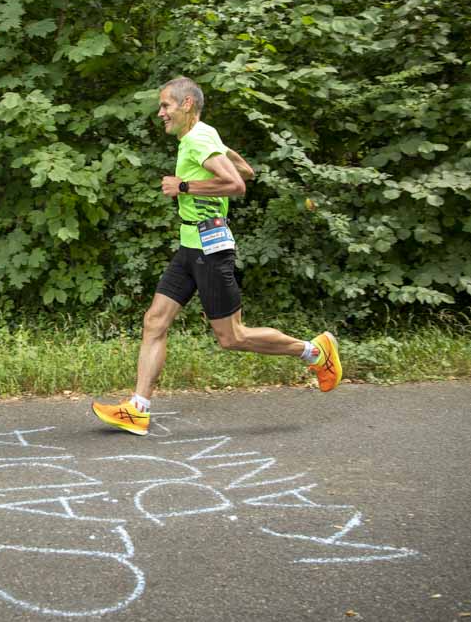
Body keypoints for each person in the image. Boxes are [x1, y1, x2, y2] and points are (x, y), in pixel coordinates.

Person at [91, 77, 341, 436]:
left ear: (187, 104)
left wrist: (184, 186)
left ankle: (314, 352)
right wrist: (217, 154)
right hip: (191, 245)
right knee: (155, 321)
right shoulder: (204, 134)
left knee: (232, 337)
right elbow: (246, 170)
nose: (160, 112)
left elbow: (238, 184)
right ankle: (137, 409)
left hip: (212, 249)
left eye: (166, 105)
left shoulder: (198, 138)